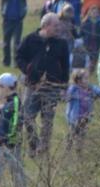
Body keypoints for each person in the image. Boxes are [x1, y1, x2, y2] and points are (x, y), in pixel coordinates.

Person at [15, 14, 71, 154]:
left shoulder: (62, 43)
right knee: (28, 116)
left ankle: (43, 149)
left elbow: (65, 66)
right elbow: (19, 56)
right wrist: (28, 69)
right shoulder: (30, 39)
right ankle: (34, 145)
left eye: (59, 25)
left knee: (47, 120)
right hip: (33, 86)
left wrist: (64, 86)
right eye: (55, 25)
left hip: (52, 87)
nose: (59, 28)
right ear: (45, 26)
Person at [0, 73, 26, 187]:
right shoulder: (8, 103)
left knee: (17, 173)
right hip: (0, 144)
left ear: (6, 88)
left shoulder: (15, 102)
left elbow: (16, 123)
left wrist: (9, 141)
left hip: (9, 146)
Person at [64, 68, 100, 147]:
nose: (87, 81)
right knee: (73, 132)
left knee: (82, 133)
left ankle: (79, 149)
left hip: (86, 116)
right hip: (75, 117)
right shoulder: (74, 89)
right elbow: (67, 96)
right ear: (79, 81)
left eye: (88, 78)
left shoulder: (90, 88)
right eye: (85, 79)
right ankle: (68, 147)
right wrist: (68, 96)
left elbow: (99, 91)